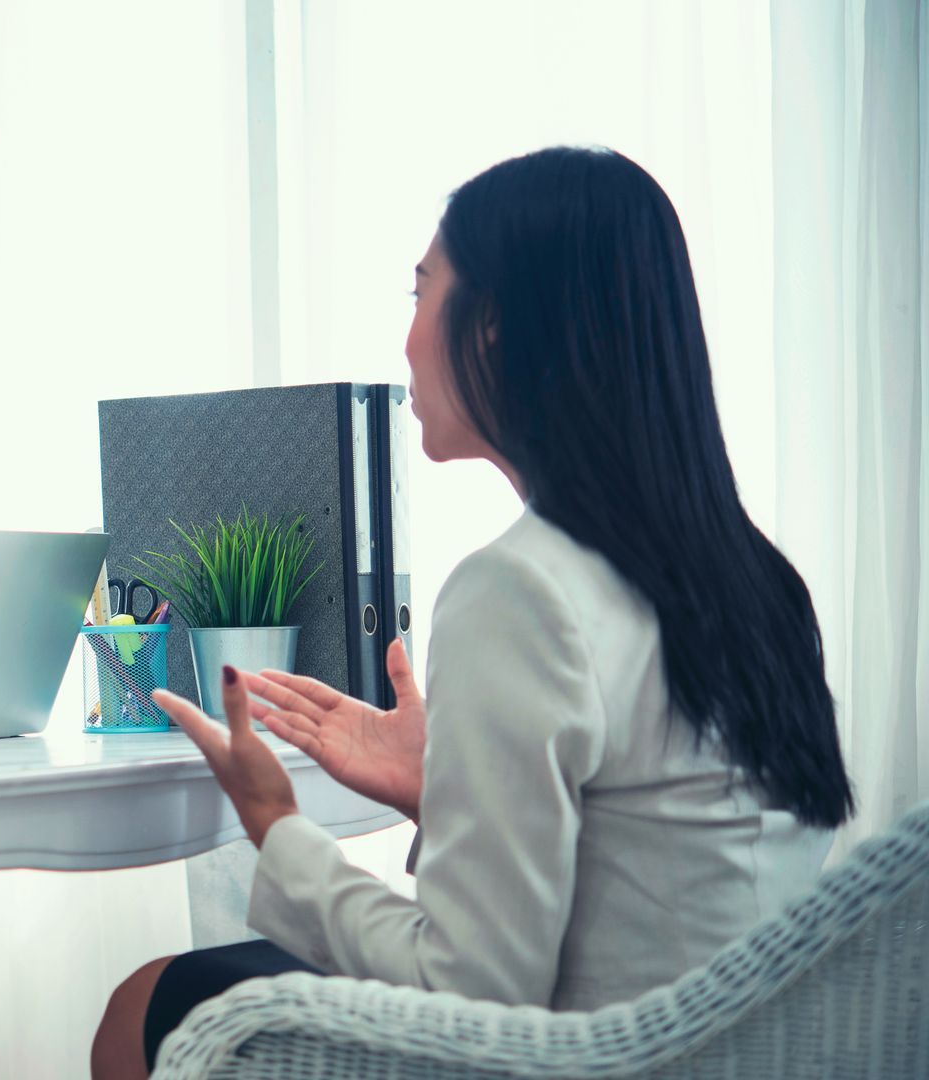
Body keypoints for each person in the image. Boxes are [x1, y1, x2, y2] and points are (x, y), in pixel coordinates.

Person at [90, 147, 856, 1079]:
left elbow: (474, 992)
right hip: (719, 1053)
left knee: (142, 1007)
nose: (408, 337)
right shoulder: (763, 585)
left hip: (575, 1058)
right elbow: (666, 863)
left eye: (420, 295)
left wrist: (276, 825)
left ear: (491, 327)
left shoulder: (521, 590)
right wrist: (440, 788)